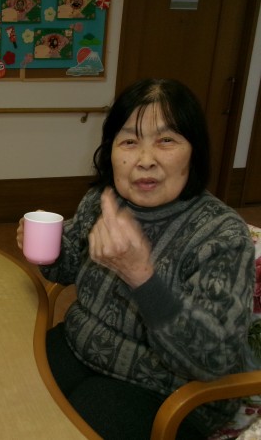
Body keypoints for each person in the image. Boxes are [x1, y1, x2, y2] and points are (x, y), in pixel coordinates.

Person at [16, 78, 254, 439]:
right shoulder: (103, 200)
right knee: (9, 384)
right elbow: (67, 269)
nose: (145, 161)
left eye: (166, 140)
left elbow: (212, 360)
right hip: (81, 348)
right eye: (129, 141)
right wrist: (45, 247)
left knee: (75, 418)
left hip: (171, 392)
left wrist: (141, 277)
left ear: (194, 151)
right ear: (110, 150)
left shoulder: (223, 234)